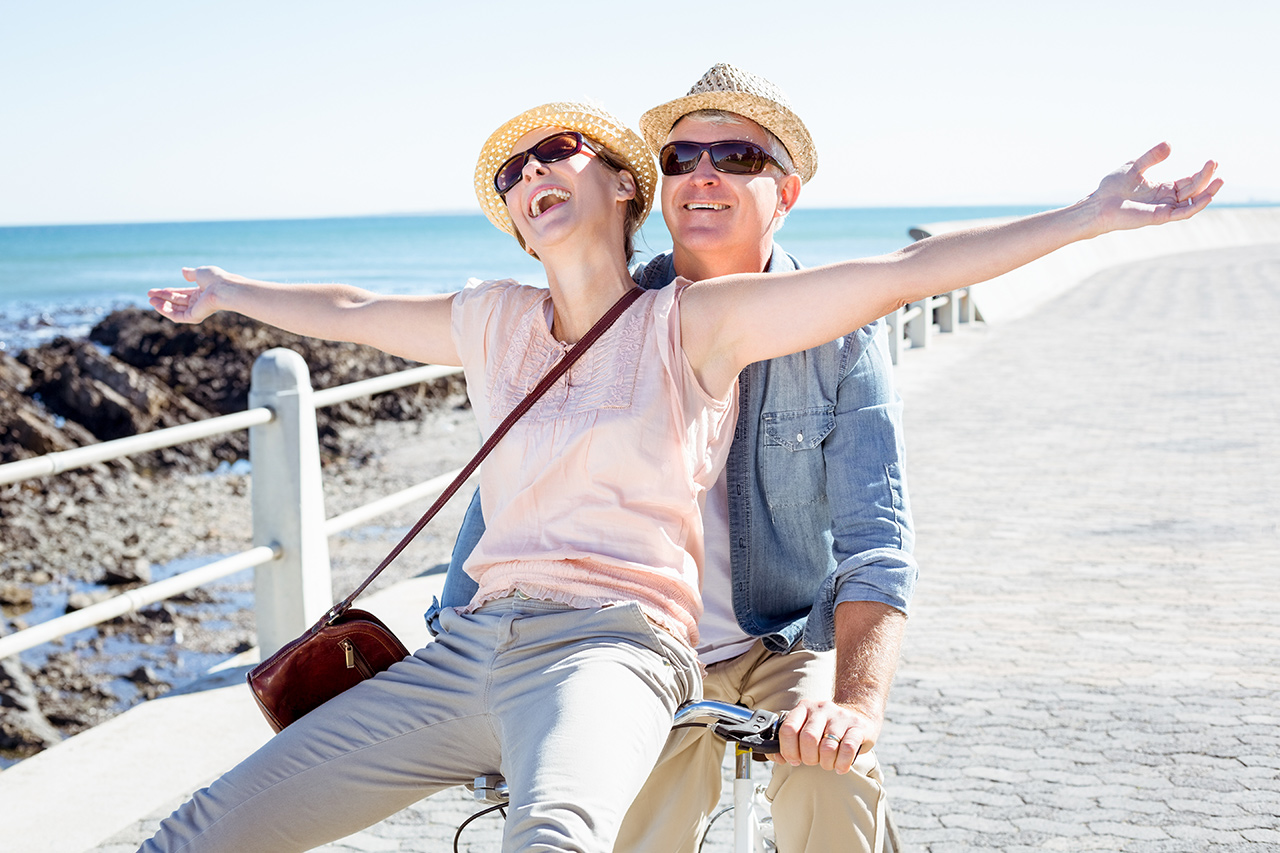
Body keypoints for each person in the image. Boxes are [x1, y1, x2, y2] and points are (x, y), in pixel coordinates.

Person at [141, 91, 1219, 852]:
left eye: (553, 151)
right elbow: (350, 312)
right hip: (478, 643)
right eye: (511, 175)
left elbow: (902, 282)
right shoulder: (494, 320)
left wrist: (1082, 216)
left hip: (659, 645)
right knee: (201, 829)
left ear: (622, 184)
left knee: (712, 805)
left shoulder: (696, 322)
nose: (527, 176)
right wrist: (230, 289)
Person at [434, 64, 910, 852]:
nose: (703, 175)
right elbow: (510, 499)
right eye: (680, 159)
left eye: (738, 157)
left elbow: (876, 544)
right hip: (622, 642)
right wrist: (461, 653)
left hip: (778, 640)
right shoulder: (605, 317)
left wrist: (855, 707)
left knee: (836, 782)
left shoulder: (843, 334)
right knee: (629, 829)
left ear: (786, 193)